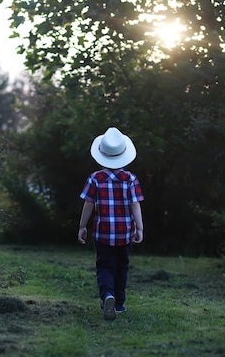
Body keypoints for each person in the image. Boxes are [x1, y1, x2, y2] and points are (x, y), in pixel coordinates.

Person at [78, 127, 144, 320]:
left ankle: (108, 295)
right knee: (122, 267)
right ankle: (120, 304)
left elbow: (88, 204)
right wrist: (139, 227)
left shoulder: (95, 178)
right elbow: (135, 205)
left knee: (105, 266)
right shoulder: (130, 179)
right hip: (125, 233)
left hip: (102, 233)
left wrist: (82, 226)